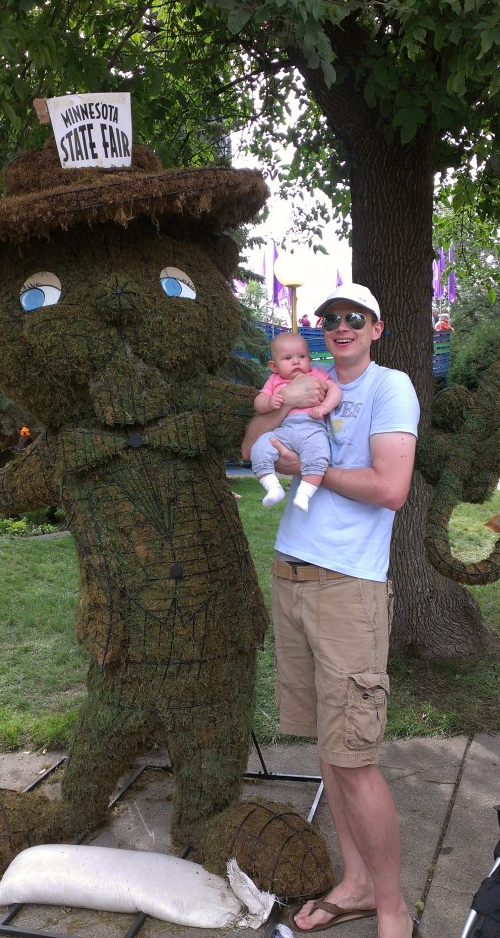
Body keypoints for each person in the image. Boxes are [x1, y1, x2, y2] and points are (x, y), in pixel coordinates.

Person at [242, 283, 421, 938]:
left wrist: (302, 468)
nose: (339, 326)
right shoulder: (303, 380)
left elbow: (390, 487)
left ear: (375, 326)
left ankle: (392, 905)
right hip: (290, 571)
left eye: (353, 317)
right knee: (327, 745)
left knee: (352, 756)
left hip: (347, 588)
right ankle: (354, 881)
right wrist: (276, 406)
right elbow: (249, 443)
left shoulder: (388, 386)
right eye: (329, 318)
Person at [250, 332, 342, 511]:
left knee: (318, 453)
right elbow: (258, 402)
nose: (296, 362)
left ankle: (304, 494)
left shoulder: (316, 374)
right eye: (288, 358)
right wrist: (269, 402)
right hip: (283, 430)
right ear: (273, 366)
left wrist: (324, 408)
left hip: (312, 428)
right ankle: (272, 487)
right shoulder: (274, 380)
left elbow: (335, 391)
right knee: (260, 447)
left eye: (302, 356)